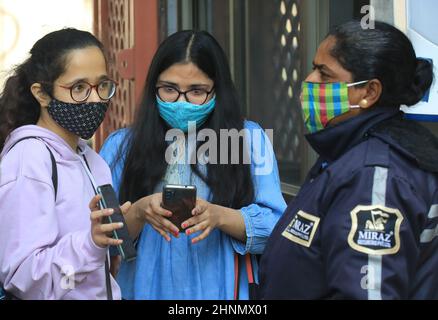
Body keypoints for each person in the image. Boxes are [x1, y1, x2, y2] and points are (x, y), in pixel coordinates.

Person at [100, 30, 287, 300]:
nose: (181, 102)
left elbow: (276, 229)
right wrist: (140, 212)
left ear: (217, 90)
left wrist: (219, 216)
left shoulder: (248, 139)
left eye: (197, 91)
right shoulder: (122, 146)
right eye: (169, 89)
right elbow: (102, 240)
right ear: (153, 86)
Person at [259, 20, 437, 300]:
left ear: (368, 92)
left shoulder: (375, 174)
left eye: (324, 74)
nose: (309, 81)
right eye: (314, 68)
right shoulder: (347, 150)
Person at [0, 28, 129, 300]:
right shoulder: (29, 160)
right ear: (42, 94)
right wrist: (90, 245)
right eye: (79, 88)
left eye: (102, 85)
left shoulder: (92, 160)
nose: (95, 99)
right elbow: (25, 279)